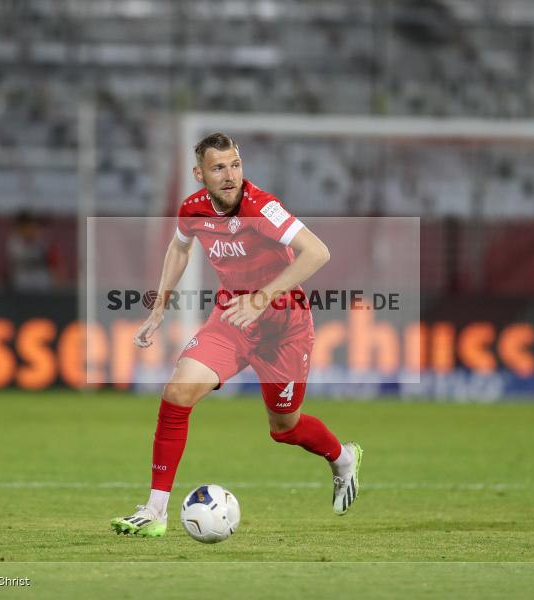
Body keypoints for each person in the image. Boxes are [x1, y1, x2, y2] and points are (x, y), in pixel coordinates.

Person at [111, 133, 363, 537]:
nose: (230, 176)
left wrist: (262, 299)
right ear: (199, 174)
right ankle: (155, 510)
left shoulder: (261, 207)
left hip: (284, 327)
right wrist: (159, 307)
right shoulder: (192, 209)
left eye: (235, 165)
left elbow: (317, 252)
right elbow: (179, 249)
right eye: (218, 168)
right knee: (177, 393)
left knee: (285, 427)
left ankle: (343, 458)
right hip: (232, 319)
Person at [6, 210, 60, 291]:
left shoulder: (44, 241)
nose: (30, 230)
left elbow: (53, 265)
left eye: (33, 226)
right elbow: (14, 263)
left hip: (42, 284)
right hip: (22, 284)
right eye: (27, 227)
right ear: (21, 228)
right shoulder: (14, 242)